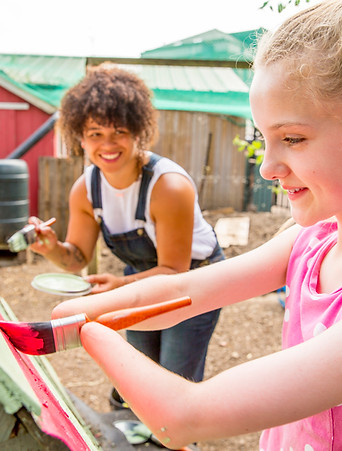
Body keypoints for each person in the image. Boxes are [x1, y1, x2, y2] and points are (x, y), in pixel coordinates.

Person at [51, 1, 342, 449]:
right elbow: (182, 291)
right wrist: (76, 311)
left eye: (293, 139)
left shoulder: (166, 183)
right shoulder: (313, 240)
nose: (266, 168)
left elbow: (183, 416)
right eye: (264, 139)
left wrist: (83, 330)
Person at [28, 64, 225, 392]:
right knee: (138, 370)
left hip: (194, 279)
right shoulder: (86, 188)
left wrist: (120, 285)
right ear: (80, 137)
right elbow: (75, 258)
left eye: (119, 131)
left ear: (138, 132)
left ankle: (172, 441)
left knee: (174, 379)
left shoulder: (168, 186)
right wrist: (49, 247)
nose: (108, 144)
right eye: (95, 133)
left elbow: (175, 270)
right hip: (141, 275)